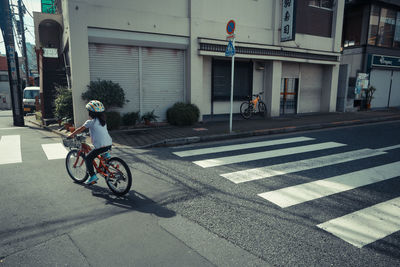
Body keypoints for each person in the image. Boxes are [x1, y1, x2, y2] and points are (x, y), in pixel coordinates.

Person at [67, 100, 112, 185]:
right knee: (102, 154)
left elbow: (80, 129)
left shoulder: (90, 122)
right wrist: (90, 133)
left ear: (91, 113)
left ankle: (93, 176)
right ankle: (104, 163)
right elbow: (99, 131)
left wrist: (71, 135)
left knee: (88, 158)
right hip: (109, 144)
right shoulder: (103, 121)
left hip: (100, 146)